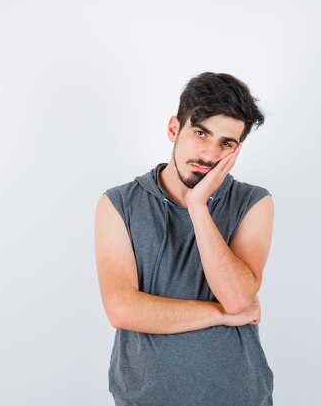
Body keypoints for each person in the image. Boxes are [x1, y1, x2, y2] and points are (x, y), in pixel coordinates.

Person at [95, 72, 274, 406]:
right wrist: (219, 315)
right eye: (201, 133)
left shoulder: (254, 202)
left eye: (226, 143)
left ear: (237, 150)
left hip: (239, 396)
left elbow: (236, 299)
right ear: (174, 128)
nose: (209, 154)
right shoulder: (118, 204)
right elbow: (122, 309)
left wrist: (197, 206)